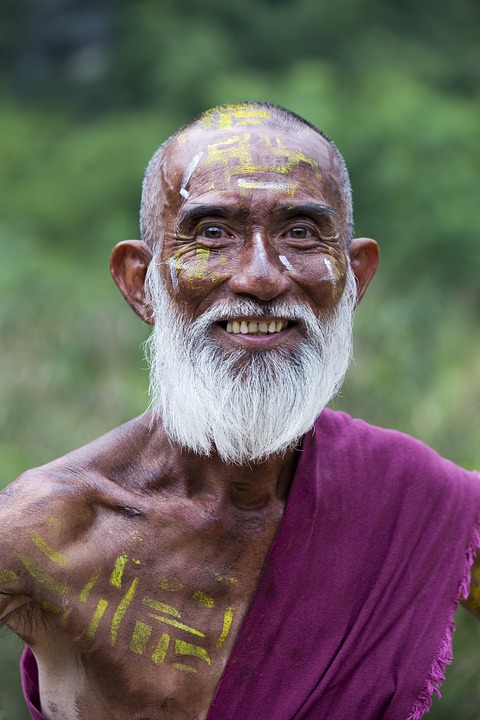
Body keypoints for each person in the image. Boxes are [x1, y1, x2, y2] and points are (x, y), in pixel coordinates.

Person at [1, 102, 479, 720]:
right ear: (140, 283)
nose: (260, 277)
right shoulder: (48, 529)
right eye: (212, 233)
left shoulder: (422, 502)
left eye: (302, 233)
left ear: (355, 279)